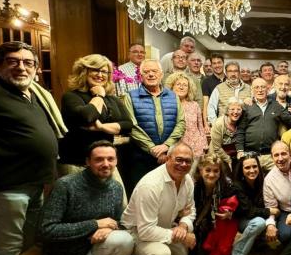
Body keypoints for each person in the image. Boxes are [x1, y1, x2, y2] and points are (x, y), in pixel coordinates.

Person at [0, 41, 66, 255]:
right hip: (8, 186)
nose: (21, 67)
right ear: (0, 64)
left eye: (28, 62)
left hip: (35, 184)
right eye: (13, 61)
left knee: (29, 238)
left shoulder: (27, 93)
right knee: (5, 250)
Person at [40, 141, 134, 255]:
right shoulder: (66, 186)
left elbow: (120, 221)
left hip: (91, 248)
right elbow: (47, 230)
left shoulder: (115, 187)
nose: (105, 164)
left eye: (110, 159)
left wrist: (111, 228)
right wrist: (94, 224)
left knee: (125, 239)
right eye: (99, 159)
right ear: (87, 162)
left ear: (116, 161)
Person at [121, 143, 197, 255]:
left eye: (188, 161)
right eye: (179, 160)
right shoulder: (150, 185)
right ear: (167, 159)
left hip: (164, 228)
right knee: (161, 254)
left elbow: (190, 211)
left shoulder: (187, 179)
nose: (183, 165)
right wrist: (182, 237)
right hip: (136, 232)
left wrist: (183, 226)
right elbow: (146, 231)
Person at [59, 54, 132, 197]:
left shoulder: (112, 99)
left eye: (104, 71)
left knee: (119, 202)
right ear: (84, 71)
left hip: (106, 162)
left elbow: (128, 125)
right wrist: (98, 96)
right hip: (77, 163)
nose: (100, 75)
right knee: (80, 207)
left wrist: (101, 127)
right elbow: (87, 116)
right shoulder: (71, 97)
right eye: (95, 70)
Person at [123, 59, 186, 196]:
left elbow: (181, 123)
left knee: (167, 195)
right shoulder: (130, 97)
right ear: (140, 76)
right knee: (142, 195)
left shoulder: (173, 96)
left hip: (169, 157)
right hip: (140, 158)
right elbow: (132, 126)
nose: (151, 74)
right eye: (146, 72)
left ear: (161, 74)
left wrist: (166, 146)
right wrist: (152, 149)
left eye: (154, 71)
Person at [236, 78, 291, 171]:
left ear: (268, 89)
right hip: (250, 155)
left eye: (263, 87)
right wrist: (240, 150)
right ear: (252, 90)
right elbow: (240, 130)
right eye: (257, 87)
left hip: (270, 156)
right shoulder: (247, 107)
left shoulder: (276, 106)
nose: (260, 90)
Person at [191, 153, 237, 255]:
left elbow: (238, 208)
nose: (211, 175)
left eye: (216, 171)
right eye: (208, 170)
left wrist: (230, 213)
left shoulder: (227, 184)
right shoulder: (193, 185)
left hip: (218, 223)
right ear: (201, 170)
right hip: (197, 221)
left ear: (220, 172)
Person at [231, 154, 269, 255]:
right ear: (241, 170)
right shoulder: (237, 185)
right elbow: (249, 211)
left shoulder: (263, 181)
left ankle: (257, 242)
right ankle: (238, 254)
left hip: (257, 215)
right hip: (242, 220)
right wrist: (269, 211)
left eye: (254, 166)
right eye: (247, 168)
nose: (252, 170)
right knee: (259, 223)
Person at [165, 72, 208, 166]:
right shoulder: (166, 105)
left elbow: (200, 127)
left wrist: (204, 146)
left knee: (191, 179)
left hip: (195, 148)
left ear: (189, 89)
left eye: (185, 85)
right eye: (178, 84)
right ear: (171, 87)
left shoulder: (194, 105)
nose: (182, 87)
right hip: (175, 148)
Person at [263, 141, 291, 244]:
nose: (280, 159)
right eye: (276, 155)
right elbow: (270, 206)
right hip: (287, 211)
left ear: (290, 154)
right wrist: (270, 224)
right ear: (272, 158)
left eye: (283, 153)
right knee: (285, 235)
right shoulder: (269, 179)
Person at [210, 98, 243, 171]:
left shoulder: (241, 122)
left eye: (239, 109)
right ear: (227, 111)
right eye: (232, 109)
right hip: (219, 156)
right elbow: (217, 148)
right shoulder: (219, 124)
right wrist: (228, 160)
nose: (236, 112)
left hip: (235, 156)